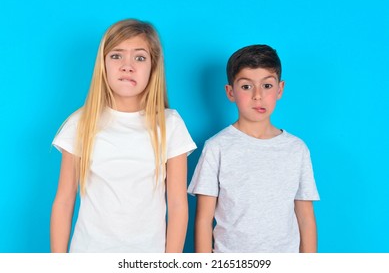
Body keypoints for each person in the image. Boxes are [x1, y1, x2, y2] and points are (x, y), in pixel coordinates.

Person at [51, 19, 196, 253]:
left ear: (153, 66)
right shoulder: (81, 122)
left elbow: (178, 205)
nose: (127, 66)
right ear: (103, 64)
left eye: (139, 58)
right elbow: (64, 200)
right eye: (117, 56)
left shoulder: (170, 125)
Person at [188, 44, 319, 253]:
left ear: (280, 89)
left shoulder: (297, 149)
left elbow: (305, 218)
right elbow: (203, 220)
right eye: (246, 86)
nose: (257, 95)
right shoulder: (217, 147)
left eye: (267, 86)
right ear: (230, 92)